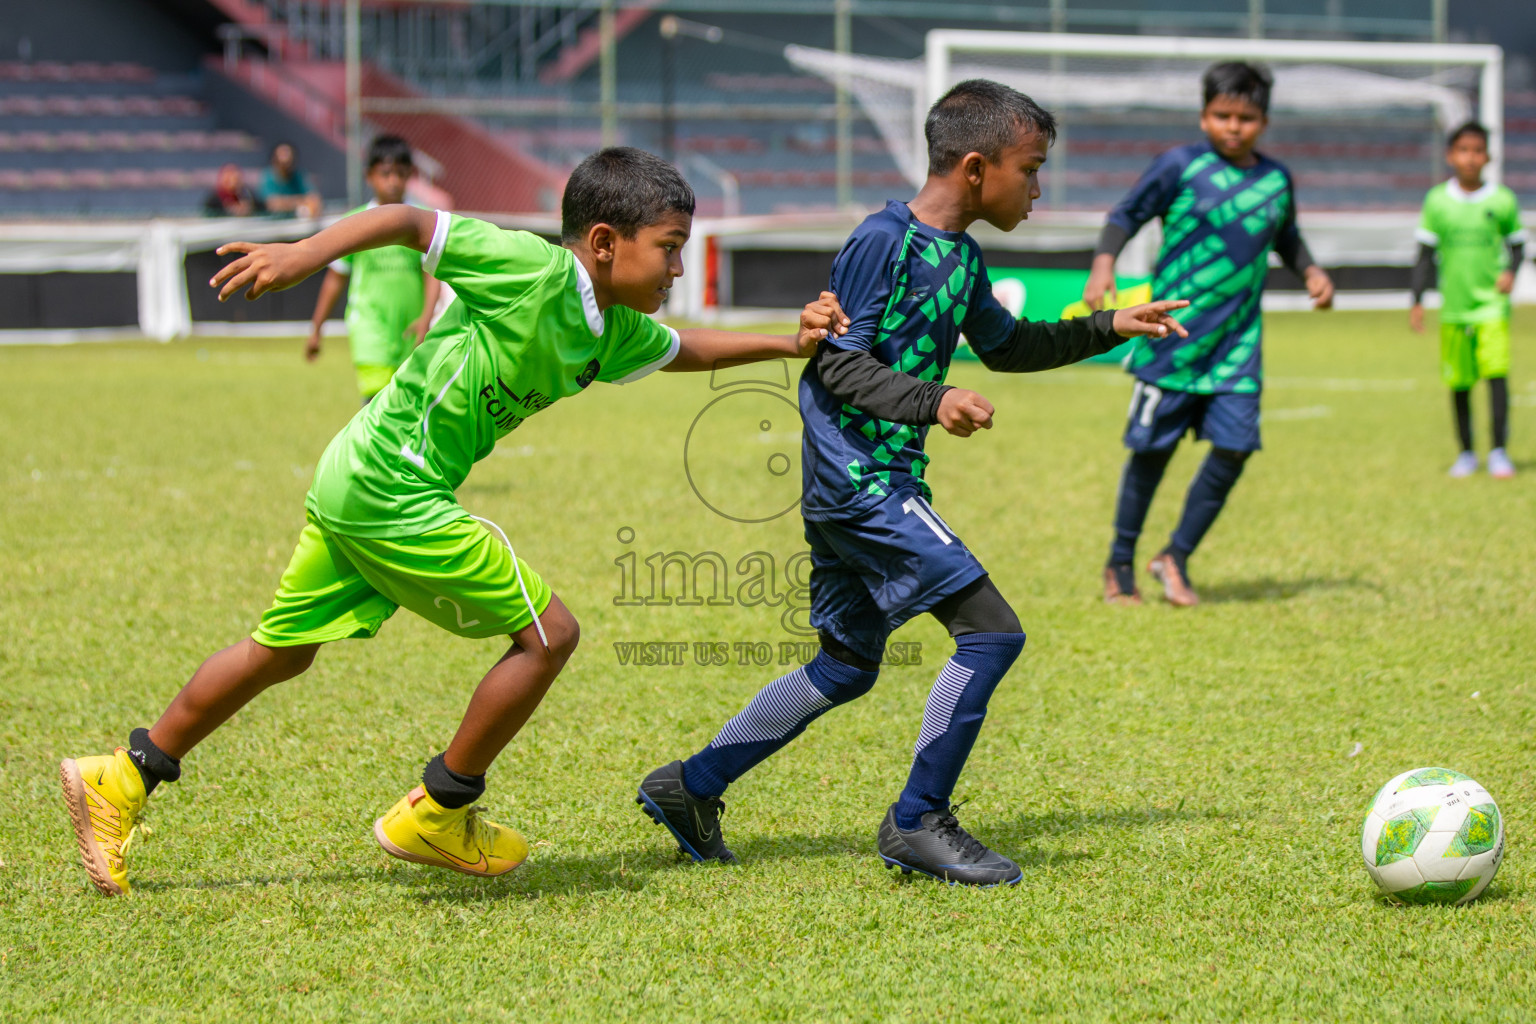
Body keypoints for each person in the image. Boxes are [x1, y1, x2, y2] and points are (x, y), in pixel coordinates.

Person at [58, 147, 850, 897]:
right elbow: (408, 223)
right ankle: (440, 810)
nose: (680, 268)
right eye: (671, 247)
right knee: (549, 635)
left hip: (359, 474)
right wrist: (303, 254)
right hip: (393, 485)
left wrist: (791, 341)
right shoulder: (532, 271)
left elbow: (686, 350)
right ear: (604, 243)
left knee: (280, 652)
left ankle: (121, 776)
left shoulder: (608, 327)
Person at [636, 80, 1190, 887]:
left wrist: (1107, 326)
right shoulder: (882, 241)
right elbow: (838, 361)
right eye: (1030, 170)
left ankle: (689, 786)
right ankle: (917, 819)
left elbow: (1007, 346)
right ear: (975, 167)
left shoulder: (959, 256)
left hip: (869, 482)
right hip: (859, 481)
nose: (1038, 188)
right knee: (992, 633)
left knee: (846, 666)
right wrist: (936, 400)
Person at [1084, 61, 1334, 608]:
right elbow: (1126, 214)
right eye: (1222, 115)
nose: (1233, 126)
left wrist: (1311, 271)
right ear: (1204, 116)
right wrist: (1104, 264)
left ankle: (1175, 555)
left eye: (1245, 117)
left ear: (1263, 121)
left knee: (1237, 447)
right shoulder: (1178, 166)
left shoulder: (1275, 179)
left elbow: (1286, 236)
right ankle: (1120, 564)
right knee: (1151, 454)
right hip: (1171, 340)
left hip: (1238, 346)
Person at [1410, 121, 1525, 479]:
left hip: (1491, 305)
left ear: (1487, 156)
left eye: (1477, 151)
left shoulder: (1502, 199)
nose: (1470, 158)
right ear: (1450, 155)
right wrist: (1416, 299)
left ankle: (1499, 452)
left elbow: (1518, 247)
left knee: (1496, 376)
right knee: (1459, 383)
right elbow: (1425, 255)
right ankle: (1466, 453)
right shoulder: (1437, 201)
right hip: (1454, 307)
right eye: (1463, 150)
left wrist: (1510, 273)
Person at [306, 135, 442, 404]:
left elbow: (432, 274)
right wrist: (316, 329)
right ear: (369, 176)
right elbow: (335, 279)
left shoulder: (421, 222)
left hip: (409, 329)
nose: (393, 181)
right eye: (386, 174)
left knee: (408, 402)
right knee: (376, 403)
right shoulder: (355, 224)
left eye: (401, 174)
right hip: (369, 327)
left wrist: (426, 318)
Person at [260, 141, 322, 219]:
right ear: (274, 159)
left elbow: (314, 198)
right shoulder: (268, 177)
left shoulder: (299, 175)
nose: (286, 160)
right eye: (282, 156)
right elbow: (273, 204)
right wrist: (301, 201)